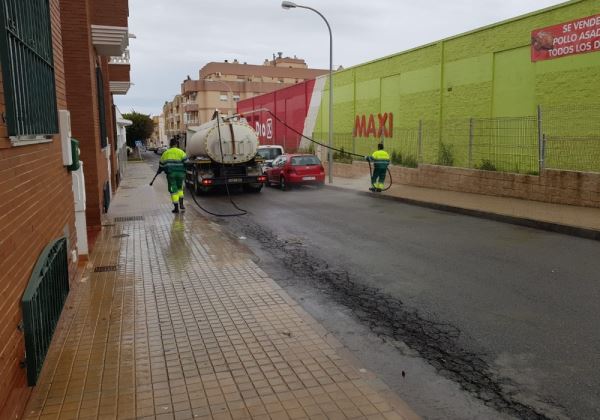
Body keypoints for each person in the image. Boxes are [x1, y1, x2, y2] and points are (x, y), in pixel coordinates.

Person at [158, 137, 188, 213]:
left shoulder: (166, 153)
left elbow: (161, 165)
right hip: (180, 174)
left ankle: (176, 208)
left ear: (170, 144)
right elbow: (186, 162)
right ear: (176, 144)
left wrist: (160, 170)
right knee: (180, 188)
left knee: (173, 190)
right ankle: (181, 205)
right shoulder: (181, 152)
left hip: (171, 175)